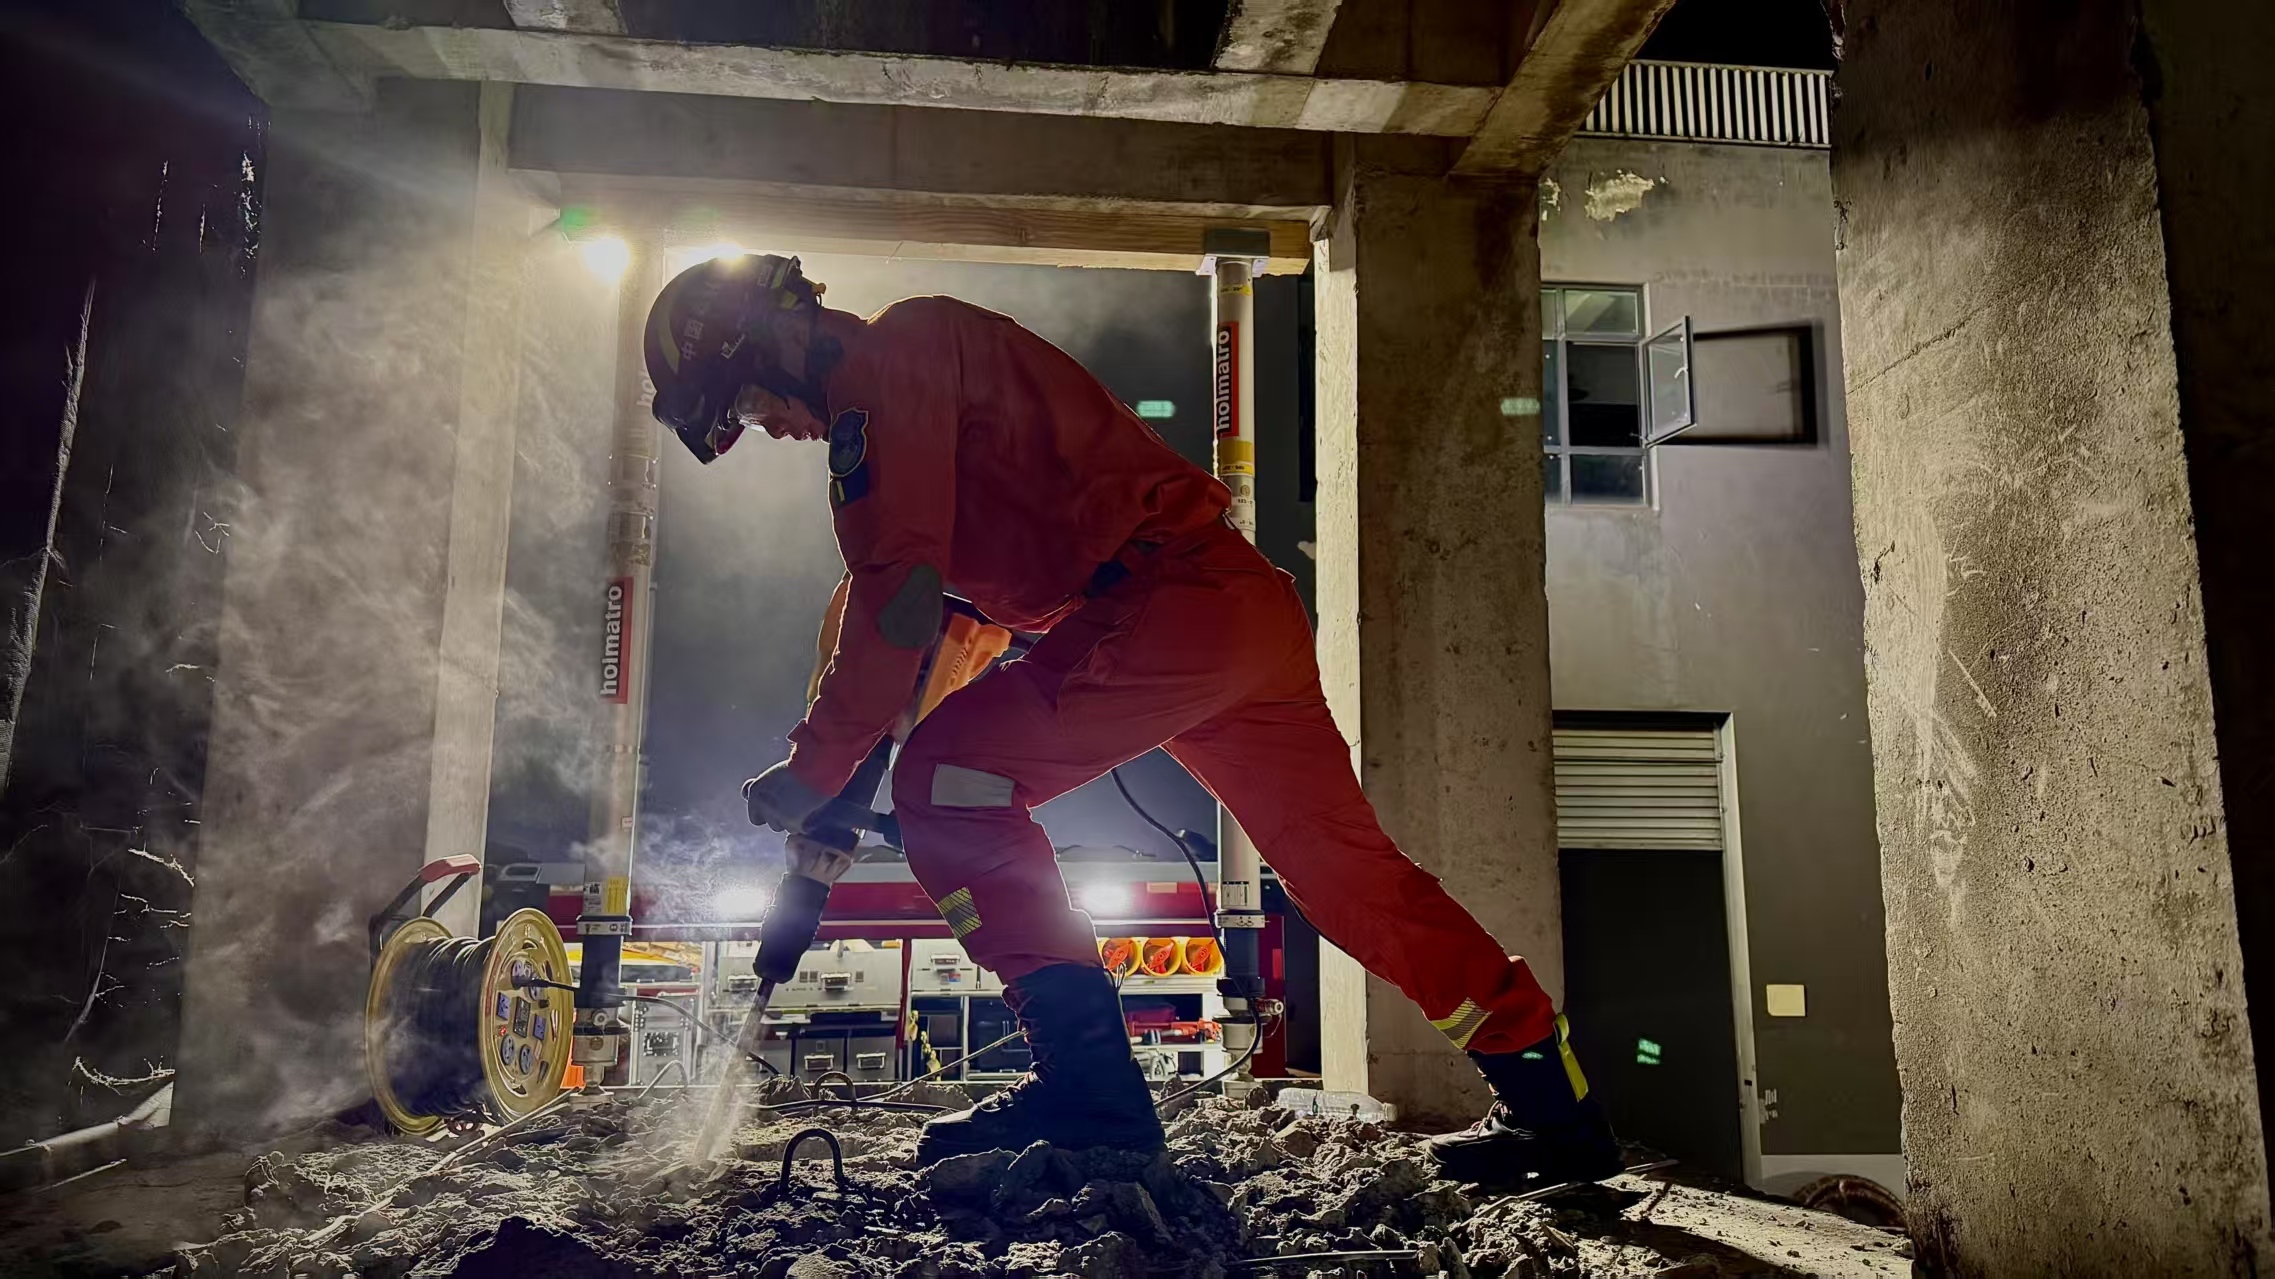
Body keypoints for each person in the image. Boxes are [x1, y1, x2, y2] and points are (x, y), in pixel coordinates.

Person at [644, 253, 1621, 1188]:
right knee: (1346, 875)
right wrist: (844, 790)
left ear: (765, 342)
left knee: (944, 781)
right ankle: (1554, 1106)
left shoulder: (882, 375)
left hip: (1160, 605)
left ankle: (1091, 1094)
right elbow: (938, 623)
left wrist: (816, 769)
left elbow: (895, 597)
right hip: (1230, 610)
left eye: (745, 406)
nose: (769, 430)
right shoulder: (927, 372)